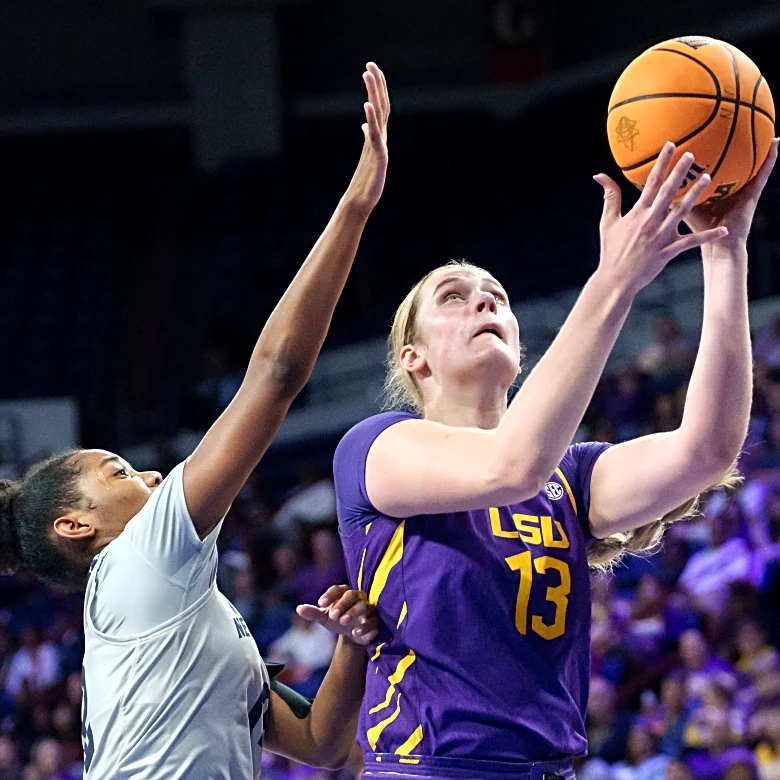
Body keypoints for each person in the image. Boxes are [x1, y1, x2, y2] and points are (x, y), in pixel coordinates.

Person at [333, 138, 779, 779]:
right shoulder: (376, 446)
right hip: (431, 769)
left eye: (497, 297)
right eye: (454, 297)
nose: (484, 301)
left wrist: (725, 253)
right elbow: (510, 467)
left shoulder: (568, 476)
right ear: (414, 357)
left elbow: (707, 448)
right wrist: (615, 279)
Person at [0, 62, 391, 780]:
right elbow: (274, 375)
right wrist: (356, 206)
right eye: (116, 471)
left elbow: (320, 744)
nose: (148, 472)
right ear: (76, 526)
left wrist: (352, 646)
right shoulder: (138, 562)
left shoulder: (172, 606)